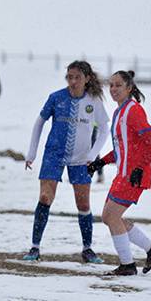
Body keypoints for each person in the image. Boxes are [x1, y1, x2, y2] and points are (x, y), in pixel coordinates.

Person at [23, 60, 110, 263]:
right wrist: (31, 153)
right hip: (54, 154)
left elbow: (105, 129)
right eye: (69, 77)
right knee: (45, 197)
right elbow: (39, 123)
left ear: (87, 78)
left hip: (81, 159)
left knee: (83, 203)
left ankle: (88, 249)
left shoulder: (94, 101)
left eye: (77, 77)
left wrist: (92, 154)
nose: (72, 81)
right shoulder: (56, 98)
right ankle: (34, 248)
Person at [87, 71, 151, 275]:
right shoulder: (118, 112)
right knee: (109, 217)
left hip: (134, 176)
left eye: (118, 85)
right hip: (122, 174)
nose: (113, 89)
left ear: (129, 88)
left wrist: (140, 168)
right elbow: (122, 148)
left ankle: (128, 265)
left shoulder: (133, 111)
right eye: (111, 85)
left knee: (112, 216)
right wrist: (101, 162)